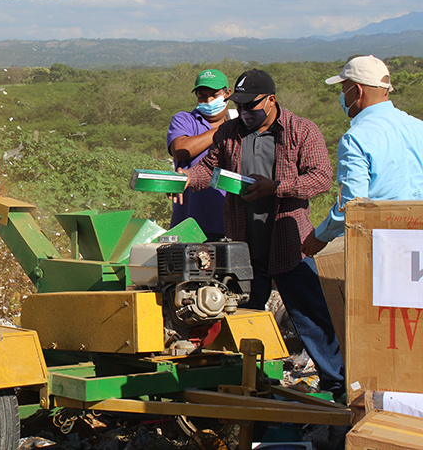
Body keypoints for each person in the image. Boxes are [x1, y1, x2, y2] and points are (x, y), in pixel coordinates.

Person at [178, 69, 345, 398]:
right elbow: (209, 168)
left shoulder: (301, 130)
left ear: (270, 100)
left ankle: (337, 385)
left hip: (290, 244)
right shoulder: (229, 132)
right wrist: (187, 178)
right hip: (244, 247)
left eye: (251, 107)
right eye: (239, 107)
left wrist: (277, 188)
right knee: (241, 318)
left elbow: (321, 177)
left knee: (311, 319)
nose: (244, 113)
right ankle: (247, 382)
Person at [302, 55, 423, 256]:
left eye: (344, 89)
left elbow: (353, 204)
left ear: (357, 90)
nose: (343, 96)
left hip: (383, 245)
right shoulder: (418, 127)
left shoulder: (356, 138)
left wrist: (320, 236)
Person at [166, 69, 231, 241]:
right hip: (190, 221)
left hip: (229, 221)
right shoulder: (185, 120)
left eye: (214, 95)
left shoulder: (239, 126)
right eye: (202, 96)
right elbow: (181, 150)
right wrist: (222, 130)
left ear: (227, 94)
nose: (208, 101)